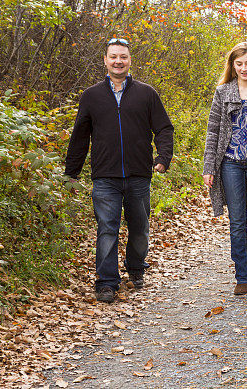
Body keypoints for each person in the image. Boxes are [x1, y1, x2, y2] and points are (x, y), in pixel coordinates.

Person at [64, 38, 174, 303]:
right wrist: (72, 172)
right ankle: (107, 282)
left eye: (123, 57)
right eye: (113, 56)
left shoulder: (146, 93)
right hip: (105, 176)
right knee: (107, 228)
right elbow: (80, 135)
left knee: (139, 227)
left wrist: (163, 156)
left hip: (138, 174)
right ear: (105, 60)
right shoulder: (91, 96)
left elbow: (164, 128)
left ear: (129, 60)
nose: (118, 61)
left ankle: (136, 268)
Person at [202, 42, 247, 296]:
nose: (244, 68)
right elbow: (213, 131)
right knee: (237, 221)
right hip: (230, 163)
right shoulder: (223, 93)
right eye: (239, 63)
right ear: (232, 66)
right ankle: (242, 275)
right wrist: (209, 166)